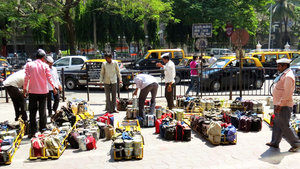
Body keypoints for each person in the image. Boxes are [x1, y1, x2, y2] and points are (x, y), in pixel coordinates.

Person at [266, 58, 300, 152]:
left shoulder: (288, 76)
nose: (277, 68)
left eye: (279, 66)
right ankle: (275, 142)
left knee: (285, 125)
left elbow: (287, 93)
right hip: (279, 104)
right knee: (277, 123)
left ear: (285, 66)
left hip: (284, 105)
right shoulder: (284, 74)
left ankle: (296, 144)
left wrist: (280, 105)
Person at [23, 49, 57, 138]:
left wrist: (24, 89)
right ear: (43, 58)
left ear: (35, 57)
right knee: (43, 111)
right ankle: (43, 129)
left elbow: (26, 77)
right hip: (43, 91)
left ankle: (33, 131)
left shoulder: (29, 65)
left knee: (32, 112)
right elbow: (49, 78)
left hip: (32, 91)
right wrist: (53, 87)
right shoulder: (45, 66)